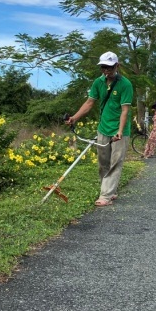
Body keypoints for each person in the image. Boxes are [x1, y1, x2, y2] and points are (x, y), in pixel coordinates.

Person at [66, 52, 134, 206]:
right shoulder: (98, 82)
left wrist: (120, 131)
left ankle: (106, 195)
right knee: (103, 162)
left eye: (109, 67)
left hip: (119, 130)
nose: (106, 70)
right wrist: (74, 118)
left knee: (116, 162)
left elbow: (125, 110)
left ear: (117, 66)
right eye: (103, 67)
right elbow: (89, 103)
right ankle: (110, 190)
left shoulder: (126, 85)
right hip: (103, 128)